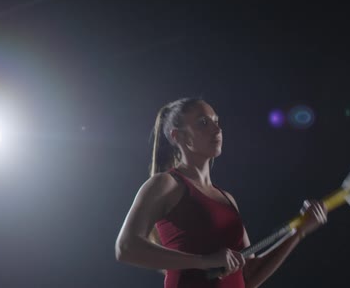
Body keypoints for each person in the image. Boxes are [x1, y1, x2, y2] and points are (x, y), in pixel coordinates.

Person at [115, 98, 327, 288]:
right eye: (203, 123)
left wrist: (298, 232)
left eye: (217, 122)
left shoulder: (227, 199)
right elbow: (125, 248)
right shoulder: (166, 184)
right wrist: (204, 261)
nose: (217, 130)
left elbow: (249, 275)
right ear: (177, 136)